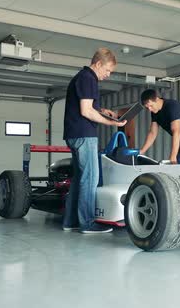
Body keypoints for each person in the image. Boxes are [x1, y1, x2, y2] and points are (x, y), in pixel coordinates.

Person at [62, 48, 126, 234]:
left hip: (74, 134)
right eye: (107, 70)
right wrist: (111, 123)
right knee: (90, 179)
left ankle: (71, 221)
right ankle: (87, 223)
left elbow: (90, 107)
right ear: (98, 64)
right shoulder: (88, 78)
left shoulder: (81, 77)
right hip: (84, 135)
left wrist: (104, 111)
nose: (108, 75)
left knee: (79, 179)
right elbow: (86, 111)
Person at [139, 89, 180, 164]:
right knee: (179, 172)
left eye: (151, 106)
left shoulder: (172, 106)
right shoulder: (155, 112)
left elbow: (176, 131)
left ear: (157, 99)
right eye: (147, 108)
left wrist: (173, 156)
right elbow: (152, 133)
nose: (150, 110)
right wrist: (142, 151)